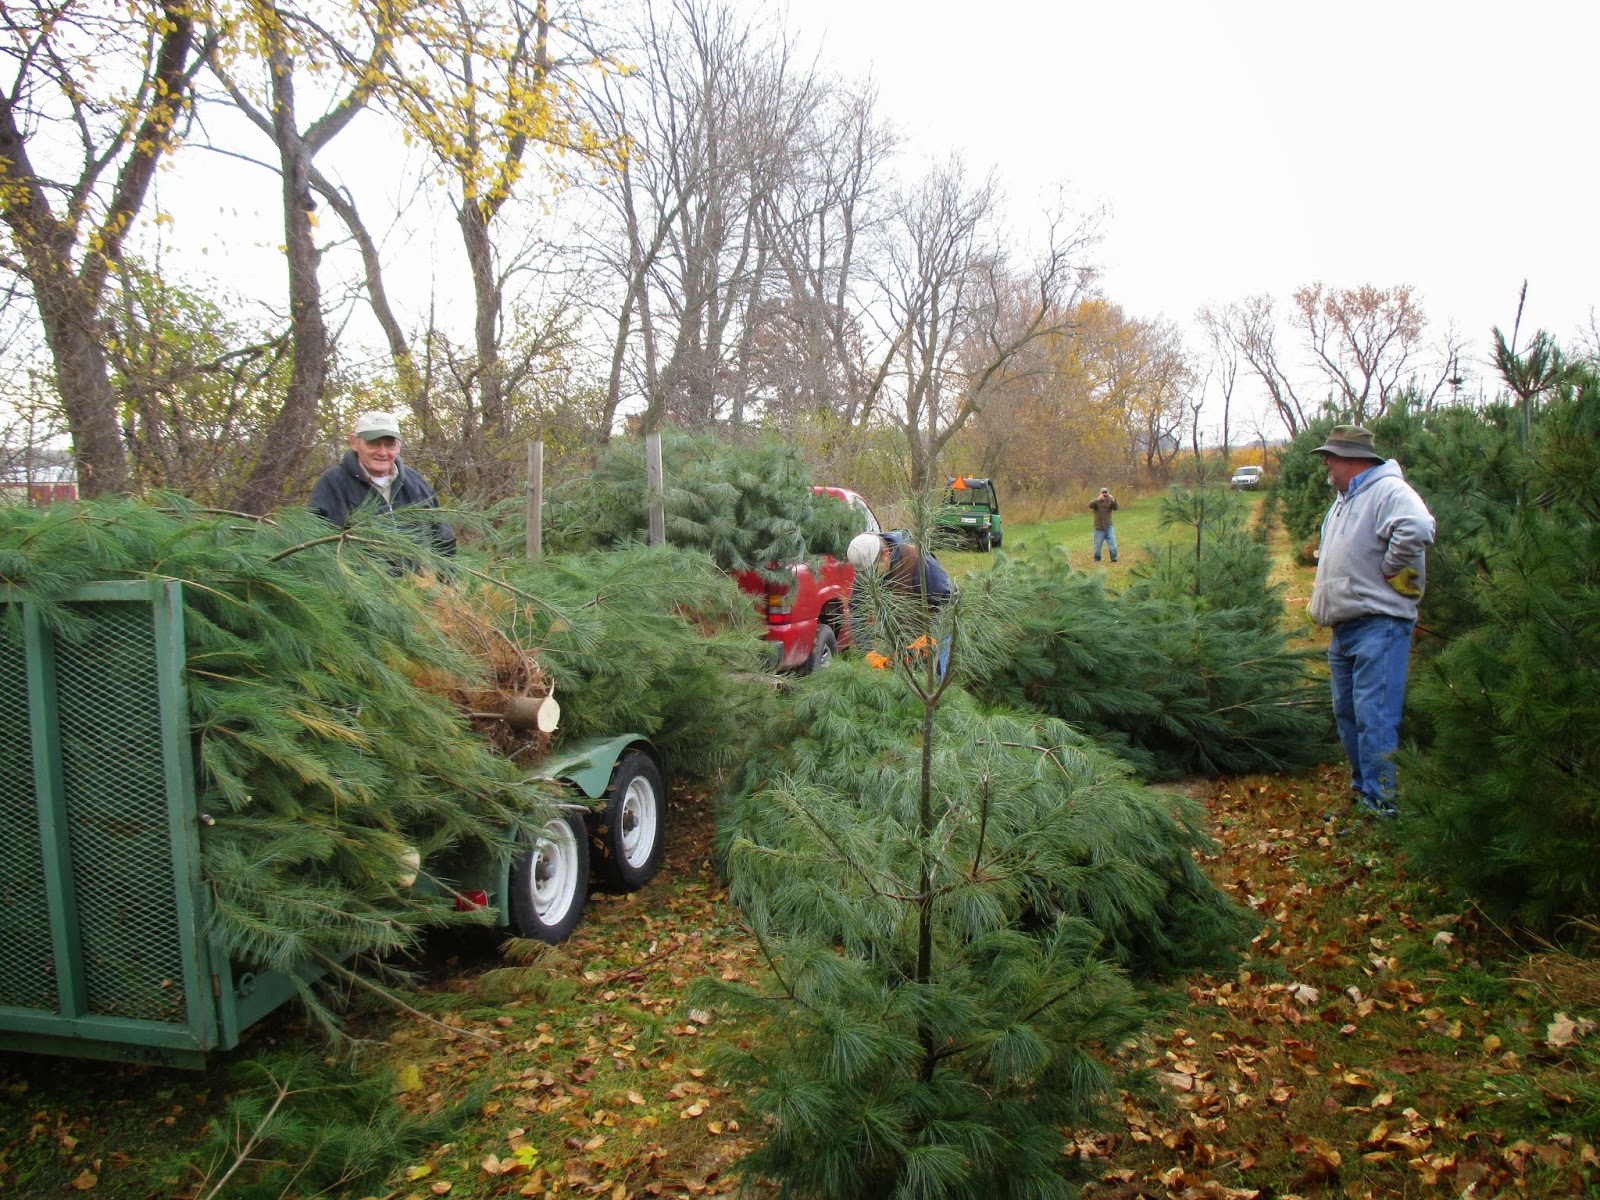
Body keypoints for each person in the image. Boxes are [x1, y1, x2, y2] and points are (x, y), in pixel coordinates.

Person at [1307, 424, 1436, 818]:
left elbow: (1417, 526)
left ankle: (1381, 808)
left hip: (1379, 625)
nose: (1326, 464)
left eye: (1330, 456)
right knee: (1349, 716)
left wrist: (1392, 567)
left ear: (1352, 458)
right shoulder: (1344, 500)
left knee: (1374, 718)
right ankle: (1364, 793)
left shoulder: (1388, 491)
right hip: (1345, 628)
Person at [309, 410, 457, 560]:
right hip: (361, 575)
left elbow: (443, 539)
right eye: (373, 443)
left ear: (398, 447)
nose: (382, 452)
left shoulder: (416, 482)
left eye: (389, 445)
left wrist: (443, 572)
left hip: (417, 575)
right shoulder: (333, 484)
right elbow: (317, 550)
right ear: (354, 442)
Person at [847, 530, 954, 678]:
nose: (870, 579)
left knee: (935, 682)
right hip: (899, 640)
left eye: (873, 571)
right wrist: (868, 651)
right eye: (864, 574)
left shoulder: (918, 561)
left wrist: (932, 636)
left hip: (933, 634)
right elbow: (856, 611)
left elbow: (949, 602)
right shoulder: (866, 571)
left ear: (886, 554)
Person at [1088, 487, 1118, 562]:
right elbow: (1090, 505)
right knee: (1097, 545)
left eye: (1105, 492)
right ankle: (1097, 558)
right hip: (1098, 527)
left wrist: (1113, 499)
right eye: (1103, 493)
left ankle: (1114, 557)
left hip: (1108, 526)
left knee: (1112, 543)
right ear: (1100, 493)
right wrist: (1098, 499)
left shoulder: (1110, 501)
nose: (1104, 494)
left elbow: (1116, 508)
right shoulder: (1096, 502)